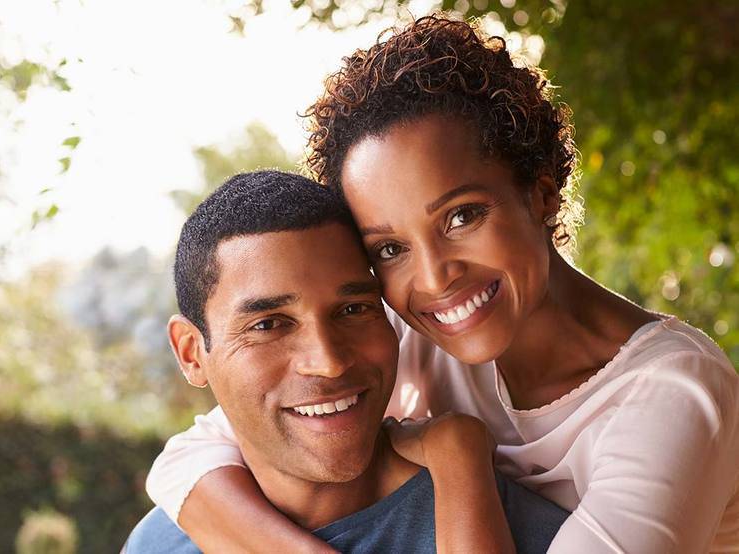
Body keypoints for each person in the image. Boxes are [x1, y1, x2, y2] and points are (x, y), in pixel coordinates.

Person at [145, 15, 739, 553]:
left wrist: (459, 458)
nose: (433, 279)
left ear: (539, 193)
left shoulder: (671, 394)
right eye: (391, 248)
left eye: (462, 217)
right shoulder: (419, 328)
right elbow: (193, 454)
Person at [124, 171, 569, 554]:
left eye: (354, 310)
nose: (329, 362)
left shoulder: (528, 535)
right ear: (190, 353)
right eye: (268, 325)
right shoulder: (159, 542)